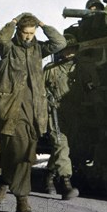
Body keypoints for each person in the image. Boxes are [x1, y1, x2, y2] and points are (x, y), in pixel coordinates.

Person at [0, 13, 66, 212]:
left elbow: (60, 42)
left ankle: (4, 180)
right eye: (25, 33)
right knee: (21, 156)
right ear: (19, 32)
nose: (28, 37)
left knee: (20, 155)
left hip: (35, 112)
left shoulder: (38, 48)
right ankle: (22, 201)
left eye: (32, 33)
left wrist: (43, 24)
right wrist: (14, 21)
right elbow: (1, 39)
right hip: (12, 110)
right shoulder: (9, 49)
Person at [43, 34, 80, 200]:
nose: (69, 53)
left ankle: (49, 176)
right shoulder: (51, 69)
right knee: (61, 144)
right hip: (56, 113)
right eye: (66, 49)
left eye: (72, 49)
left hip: (75, 113)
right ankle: (66, 184)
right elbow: (39, 90)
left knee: (63, 148)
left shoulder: (82, 68)